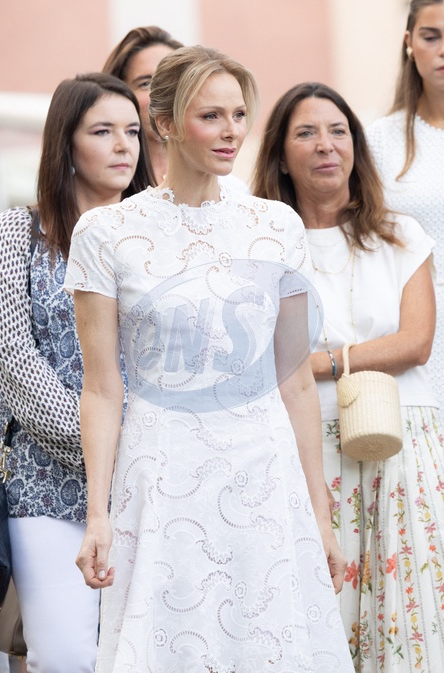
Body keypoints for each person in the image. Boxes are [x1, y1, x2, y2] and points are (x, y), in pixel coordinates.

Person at [65, 46, 354, 672]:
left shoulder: (277, 226)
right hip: (160, 478)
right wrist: (98, 515)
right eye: (211, 116)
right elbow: (102, 389)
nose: (231, 132)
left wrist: (320, 516)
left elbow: (296, 383)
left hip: (264, 476)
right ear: (164, 123)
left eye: (239, 114)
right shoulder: (105, 234)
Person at [253, 81, 444, 672]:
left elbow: (416, 343)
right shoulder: (263, 245)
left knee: (405, 611)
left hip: (401, 440)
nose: (325, 145)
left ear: (356, 146)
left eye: (338, 131)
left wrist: (322, 363)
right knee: (323, 608)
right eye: (306, 133)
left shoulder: (400, 234)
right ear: (281, 155)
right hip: (308, 445)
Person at [0, 72, 154, 673]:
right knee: (64, 658)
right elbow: (13, 358)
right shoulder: (16, 233)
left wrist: (139, 451)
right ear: (66, 143)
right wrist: (105, 444)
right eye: (102, 131)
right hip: (47, 482)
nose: (123, 145)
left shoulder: (160, 241)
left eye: (132, 131)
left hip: (151, 478)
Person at [366, 0, 444, 417]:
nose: (443, 50)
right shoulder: (379, 141)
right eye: (432, 37)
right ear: (410, 42)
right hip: (412, 331)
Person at [103, 26, 250, 192]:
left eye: (174, 84)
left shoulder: (234, 189)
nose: (163, 95)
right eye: (146, 84)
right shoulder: (105, 184)